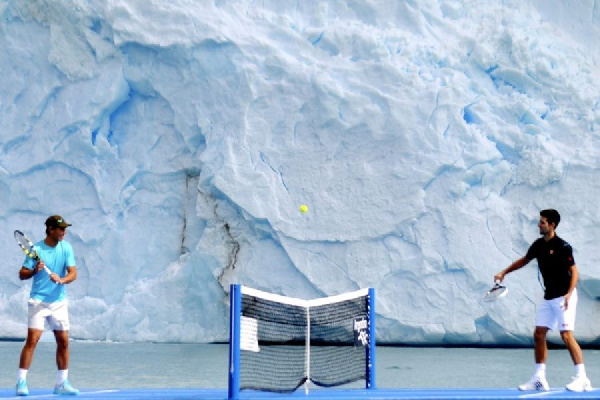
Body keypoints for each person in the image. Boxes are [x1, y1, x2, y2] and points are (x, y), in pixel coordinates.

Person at [494, 209, 592, 392]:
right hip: (549, 297)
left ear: (552, 224)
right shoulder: (538, 245)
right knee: (539, 334)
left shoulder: (563, 247)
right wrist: (503, 272)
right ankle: (539, 379)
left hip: (564, 296)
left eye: (542, 222)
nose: (539, 225)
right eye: (539, 222)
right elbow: (524, 260)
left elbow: (575, 272)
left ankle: (582, 378)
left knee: (566, 335)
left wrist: (569, 294)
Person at [15, 215, 79, 396]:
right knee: (33, 340)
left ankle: (62, 383)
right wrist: (35, 270)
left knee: (64, 342)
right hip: (38, 301)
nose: (64, 232)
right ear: (51, 229)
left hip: (58, 302)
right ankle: (21, 382)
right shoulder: (36, 249)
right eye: (61, 229)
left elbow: (73, 273)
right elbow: (22, 274)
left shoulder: (66, 248)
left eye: (65, 229)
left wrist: (62, 279)